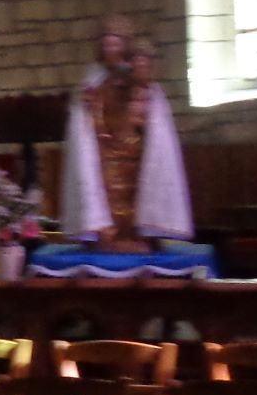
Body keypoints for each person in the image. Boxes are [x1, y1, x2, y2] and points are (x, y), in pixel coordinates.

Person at [61, 17, 193, 251]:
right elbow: (84, 115)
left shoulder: (139, 78)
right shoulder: (92, 80)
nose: (111, 49)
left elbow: (150, 114)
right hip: (105, 149)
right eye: (106, 44)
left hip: (135, 148)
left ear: (125, 46)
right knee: (110, 193)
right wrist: (88, 104)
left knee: (136, 192)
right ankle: (108, 233)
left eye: (116, 43)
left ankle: (138, 233)